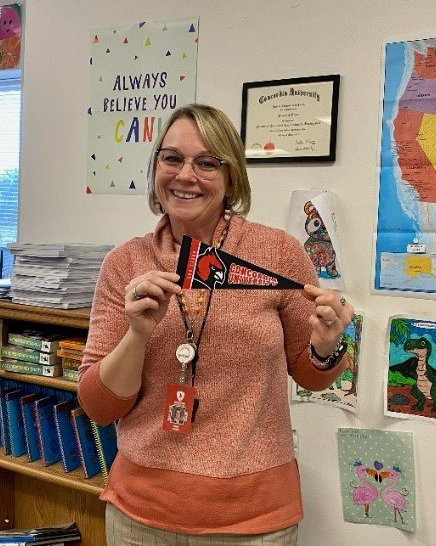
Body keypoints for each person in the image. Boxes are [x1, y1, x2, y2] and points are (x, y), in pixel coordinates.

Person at [78, 103, 354, 545]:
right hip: (141, 516)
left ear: (231, 178)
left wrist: (325, 347)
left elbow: (312, 374)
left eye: (207, 163)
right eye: (172, 158)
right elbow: (99, 408)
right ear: (155, 170)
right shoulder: (125, 264)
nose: (186, 175)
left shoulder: (277, 252)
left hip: (254, 520)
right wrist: (138, 335)